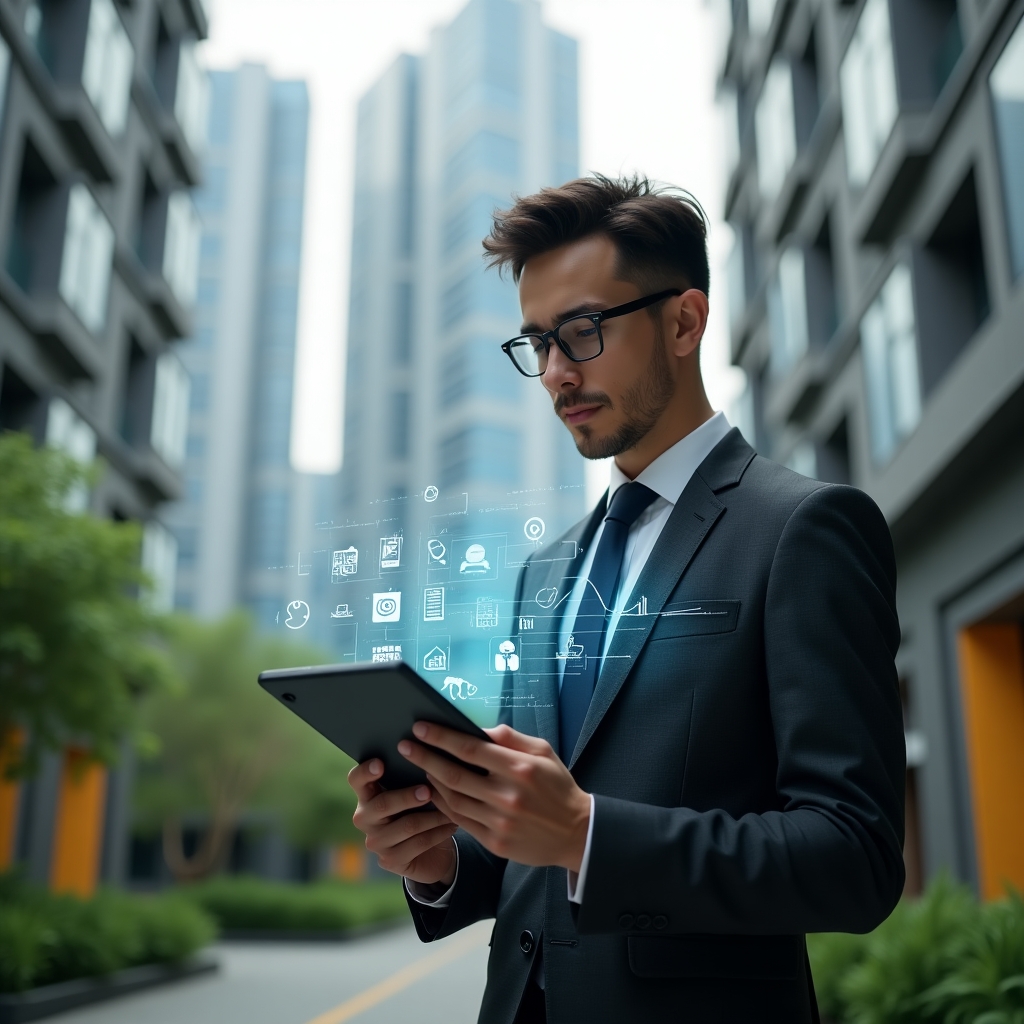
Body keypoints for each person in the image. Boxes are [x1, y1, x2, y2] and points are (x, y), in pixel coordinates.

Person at [347, 175, 905, 1023]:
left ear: (684, 321)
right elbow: (528, 848)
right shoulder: (548, 570)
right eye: (537, 343)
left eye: (583, 331)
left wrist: (587, 834)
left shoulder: (804, 529)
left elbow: (854, 856)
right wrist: (441, 861)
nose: (557, 373)